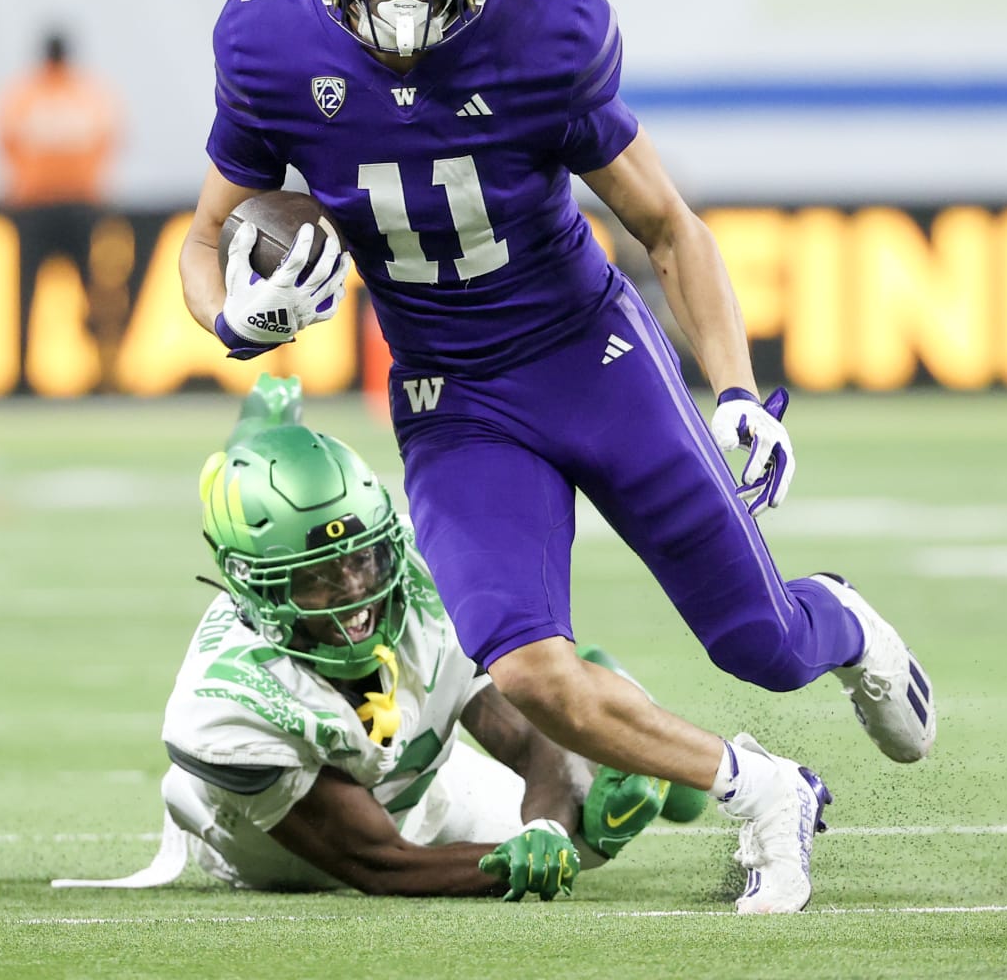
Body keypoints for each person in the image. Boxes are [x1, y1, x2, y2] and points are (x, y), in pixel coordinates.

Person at [177, 0, 933, 912]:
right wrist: (233, 321)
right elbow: (205, 240)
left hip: (592, 360)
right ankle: (765, 792)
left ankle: (844, 621)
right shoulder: (270, 50)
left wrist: (735, 390)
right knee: (531, 673)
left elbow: (668, 226)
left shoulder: (546, 38)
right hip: (453, 398)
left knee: (761, 645)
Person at [55, 376, 706, 899]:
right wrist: (522, 862)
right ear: (257, 588)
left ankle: (631, 738)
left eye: (363, 559)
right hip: (279, 853)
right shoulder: (226, 706)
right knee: (545, 848)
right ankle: (614, 732)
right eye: (316, 577)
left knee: (568, 752)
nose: (354, 591)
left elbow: (521, 731)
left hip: (416, 779)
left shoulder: (424, 568)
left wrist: (548, 829)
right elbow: (379, 863)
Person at [0, 29, 125, 388]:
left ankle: (21, 376)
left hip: (35, 207)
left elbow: (5, 143)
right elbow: (108, 141)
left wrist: (24, 182)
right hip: (80, 206)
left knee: (27, 293)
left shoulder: (23, 95)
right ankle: (104, 374)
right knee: (92, 291)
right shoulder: (89, 94)